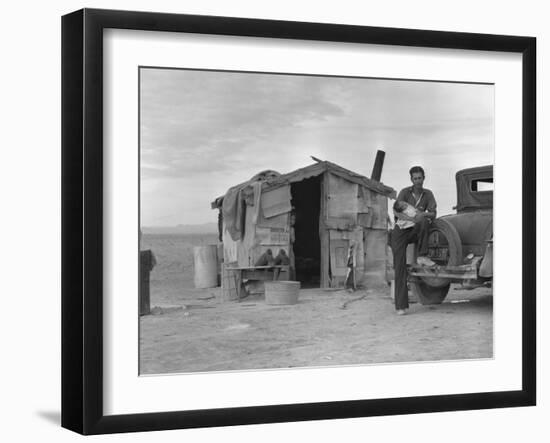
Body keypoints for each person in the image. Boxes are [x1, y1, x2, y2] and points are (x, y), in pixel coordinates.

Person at [390, 166, 437, 315]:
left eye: (420, 178)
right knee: (400, 267)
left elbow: (433, 214)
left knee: (423, 220)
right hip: (400, 232)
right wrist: (411, 218)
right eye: (415, 178)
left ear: (424, 178)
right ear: (411, 179)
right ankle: (401, 306)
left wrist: (421, 215)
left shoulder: (428, 194)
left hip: (415, 231)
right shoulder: (404, 192)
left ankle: (422, 255)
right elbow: (397, 211)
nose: (418, 181)